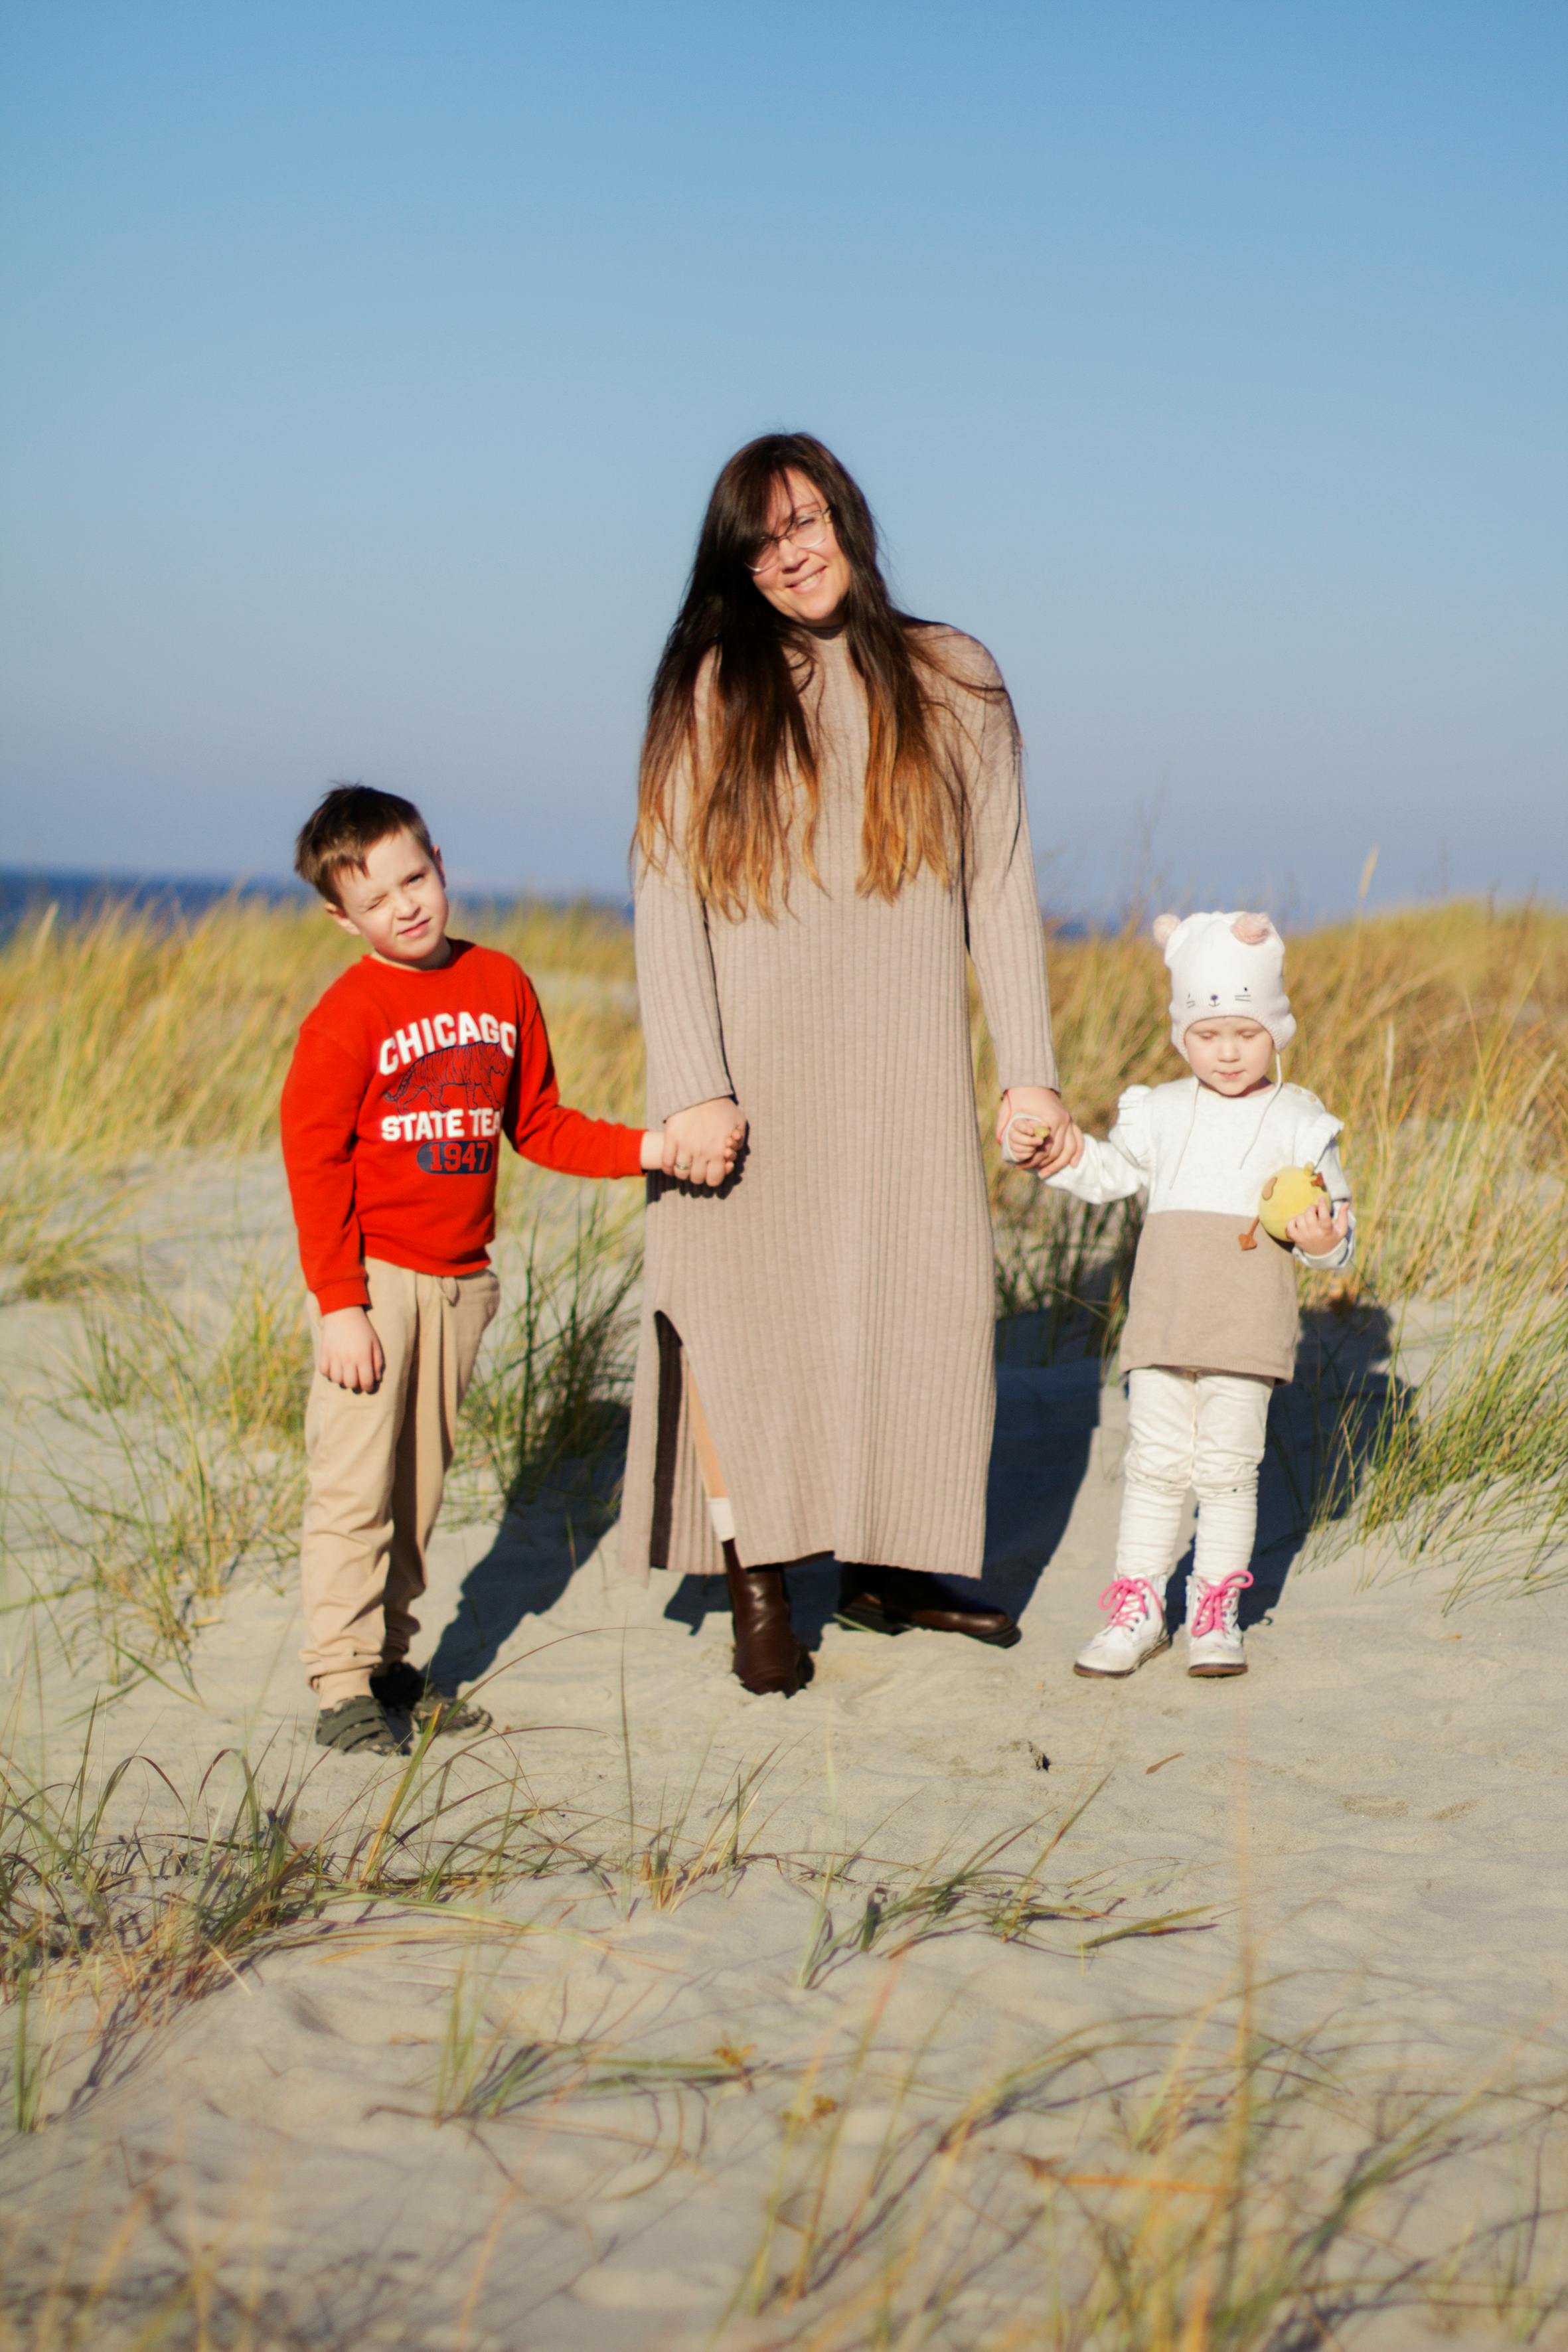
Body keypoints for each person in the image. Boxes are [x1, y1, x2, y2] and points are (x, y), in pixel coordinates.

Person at [620, 432, 1079, 1695]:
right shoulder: (711, 685)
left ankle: (884, 1563)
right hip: (747, 1070)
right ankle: (759, 1579)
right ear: (736, 564)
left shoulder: (955, 676)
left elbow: (999, 881)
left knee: (913, 1304)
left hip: (905, 1063)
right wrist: (694, 1085)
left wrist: (1027, 1068)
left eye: (806, 521)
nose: (791, 553)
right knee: (742, 1322)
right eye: (762, 541)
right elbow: (662, 893)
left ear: (848, 519)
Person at [281, 785, 730, 1755]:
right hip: (374, 1283)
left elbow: (540, 1124)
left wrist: (653, 1146)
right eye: (374, 900)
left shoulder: (499, 983)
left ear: (438, 862)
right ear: (342, 917)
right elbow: (312, 1162)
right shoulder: (348, 1014)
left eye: (413, 878)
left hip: (460, 1282)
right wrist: (340, 1304)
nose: (404, 906)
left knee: (416, 1493)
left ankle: (391, 1664)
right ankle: (340, 1685)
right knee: (355, 1490)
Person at [1034, 911, 1354, 1680]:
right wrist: (1061, 1156)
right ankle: (1137, 1611)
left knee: (1227, 1473)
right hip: (1162, 1328)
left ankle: (1215, 1613)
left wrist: (1320, 1241)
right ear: (1184, 1035)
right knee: (1152, 1467)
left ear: (1275, 1029)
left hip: (1245, 1334)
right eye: (1207, 1035)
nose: (1227, 1051)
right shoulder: (1161, 1109)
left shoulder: (1298, 1118)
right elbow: (1109, 1173)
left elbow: (1337, 1233)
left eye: (1246, 1033)